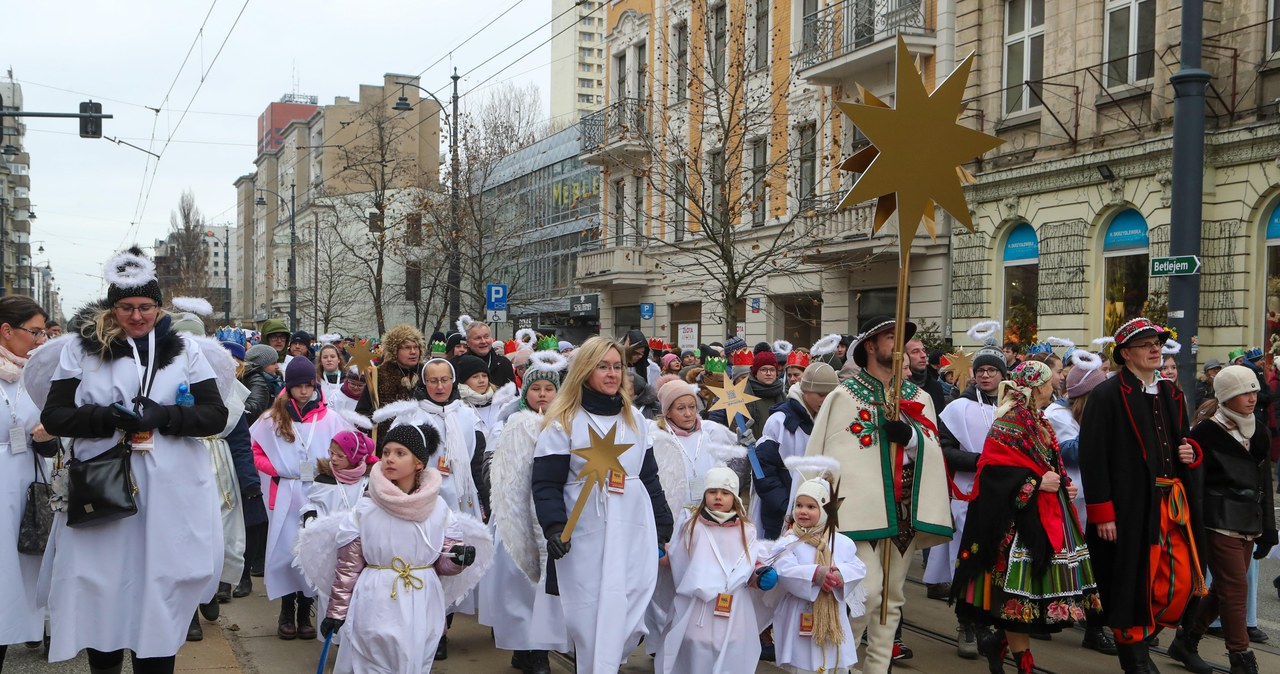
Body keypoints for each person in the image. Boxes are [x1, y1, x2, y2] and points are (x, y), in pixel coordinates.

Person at [39, 247, 229, 672]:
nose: (137, 317)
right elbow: (54, 415)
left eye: (145, 307)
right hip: (102, 485)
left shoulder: (186, 352)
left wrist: (166, 416)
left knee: (160, 587)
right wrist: (105, 416)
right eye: (126, 307)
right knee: (100, 587)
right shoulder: (81, 350)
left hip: (170, 491)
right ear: (112, 308)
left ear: (159, 308)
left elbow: (214, 414)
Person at [803, 316, 952, 674]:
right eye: (890, 337)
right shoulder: (844, 396)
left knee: (892, 601)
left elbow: (933, 451)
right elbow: (820, 455)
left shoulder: (919, 397)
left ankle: (877, 668)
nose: (898, 346)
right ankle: (841, 665)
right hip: (856, 515)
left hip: (902, 513)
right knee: (864, 593)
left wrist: (911, 437)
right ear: (870, 346)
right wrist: (811, 509)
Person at [532, 336, 674, 672]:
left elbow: (649, 476)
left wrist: (662, 521)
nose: (612, 374)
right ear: (584, 371)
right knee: (592, 615)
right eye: (602, 366)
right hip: (585, 533)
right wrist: (554, 526)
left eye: (617, 367)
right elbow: (546, 483)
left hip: (632, 528)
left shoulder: (636, 421)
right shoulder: (564, 421)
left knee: (630, 608)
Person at [949, 360, 1101, 674]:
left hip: (1040, 516)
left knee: (1026, 600)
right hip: (1015, 525)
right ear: (1035, 388)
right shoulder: (1011, 421)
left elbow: (1048, 463)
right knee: (1017, 601)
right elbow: (993, 473)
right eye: (1049, 381)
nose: (1055, 385)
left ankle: (999, 646)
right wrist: (1034, 483)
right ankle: (1023, 665)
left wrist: (1061, 487)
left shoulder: (1038, 419)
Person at [1079, 317, 1205, 673]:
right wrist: (1103, 513)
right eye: (1146, 344)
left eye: (1158, 343)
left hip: (1170, 504)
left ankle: (1146, 636)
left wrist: (1191, 453)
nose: (1155, 349)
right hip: (1129, 506)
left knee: (1178, 581)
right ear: (1125, 354)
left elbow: (1183, 441)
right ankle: (1134, 658)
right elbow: (1093, 456)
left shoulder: (1171, 392)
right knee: (1132, 581)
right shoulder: (1106, 395)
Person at [315, 422, 488, 673]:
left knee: (414, 663)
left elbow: (442, 561)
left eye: (400, 453)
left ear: (419, 463)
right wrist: (337, 611)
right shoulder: (366, 508)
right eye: (386, 452)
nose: (389, 459)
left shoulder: (439, 509)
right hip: (377, 599)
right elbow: (348, 566)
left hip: (421, 599)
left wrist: (458, 558)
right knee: (373, 662)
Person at [1170, 366, 1276, 674]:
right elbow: (1194, 483)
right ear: (1227, 396)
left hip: (1248, 521)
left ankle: (1186, 641)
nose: (1252, 398)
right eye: (1244, 392)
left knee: (1225, 590)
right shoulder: (1205, 432)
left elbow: (1263, 484)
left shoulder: (1259, 430)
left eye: (1254, 391)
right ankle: (1241, 658)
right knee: (1235, 589)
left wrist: (1268, 529)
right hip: (1217, 520)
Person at [250, 356, 352, 640]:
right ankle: (286, 609)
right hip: (286, 491)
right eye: (298, 387)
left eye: (309, 385)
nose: (304, 392)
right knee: (286, 549)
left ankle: (306, 607)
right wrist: (276, 469)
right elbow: (255, 449)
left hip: (318, 490)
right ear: (289, 387)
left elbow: (348, 446)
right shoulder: (273, 418)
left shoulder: (330, 418)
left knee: (314, 548)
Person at [483, 353, 569, 674]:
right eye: (536, 389)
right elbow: (492, 466)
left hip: (549, 513)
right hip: (514, 513)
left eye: (549, 388)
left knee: (546, 584)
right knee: (518, 582)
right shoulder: (508, 422)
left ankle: (540, 647)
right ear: (525, 391)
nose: (543, 394)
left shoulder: (565, 424)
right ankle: (527, 648)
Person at [923, 341, 1005, 656]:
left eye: (992, 370)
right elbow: (944, 449)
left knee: (996, 564)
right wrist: (978, 461)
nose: (986, 376)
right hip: (967, 496)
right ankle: (966, 624)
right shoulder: (957, 408)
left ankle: (989, 622)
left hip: (1003, 497)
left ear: (1002, 375)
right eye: (981, 370)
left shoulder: (1012, 407)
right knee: (968, 561)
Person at [657, 466, 774, 673]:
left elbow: (753, 561)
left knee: (733, 650)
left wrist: (760, 574)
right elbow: (679, 558)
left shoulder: (747, 530)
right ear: (705, 495)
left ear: (735, 498)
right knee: (696, 650)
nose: (718, 497)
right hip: (700, 606)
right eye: (712, 492)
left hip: (735, 604)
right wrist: (663, 556)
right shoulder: (692, 526)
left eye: (725, 493)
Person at [764, 463, 867, 674]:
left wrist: (840, 575)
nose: (803, 511)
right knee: (803, 665)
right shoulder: (788, 541)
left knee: (831, 663)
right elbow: (784, 569)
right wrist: (816, 574)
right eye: (799, 505)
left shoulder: (840, 542)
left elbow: (858, 567)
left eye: (811, 507)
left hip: (832, 616)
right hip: (799, 613)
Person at [1044, 359, 1116, 655]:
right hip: (1067, 496)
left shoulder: (1096, 414)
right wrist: (1100, 432)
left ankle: (1094, 625)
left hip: (1097, 496)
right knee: (1061, 558)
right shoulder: (1057, 414)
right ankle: (1048, 615)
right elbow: (1067, 451)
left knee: (1094, 563)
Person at [0, 297, 56, 667]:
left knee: (20, 575)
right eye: (33, 332)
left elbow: (54, 440)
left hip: (29, 484)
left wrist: (48, 434)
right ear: (6, 331)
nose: (40, 340)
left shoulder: (36, 375)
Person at [752, 362, 839, 540]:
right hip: (780, 511)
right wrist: (785, 505)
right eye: (821, 394)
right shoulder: (779, 421)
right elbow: (761, 470)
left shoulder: (831, 420)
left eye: (830, 396)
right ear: (805, 390)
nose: (825, 400)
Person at [355, 324, 425, 450]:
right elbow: (360, 415)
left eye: (416, 347)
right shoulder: (379, 375)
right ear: (394, 350)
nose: (413, 352)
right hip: (387, 447)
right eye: (407, 347)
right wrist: (374, 418)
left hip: (420, 445)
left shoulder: (427, 373)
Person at [459, 317, 516, 388]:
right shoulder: (459, 364)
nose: (483, 341)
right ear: (468, 342)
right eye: (478, 338)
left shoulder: (504, 363)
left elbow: (513, 394)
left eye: (486, 337)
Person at [907, 338, 947, 415]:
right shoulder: (897, 387)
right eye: (915, 352)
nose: (923, 355)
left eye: (923, 350)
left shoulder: (935, 386)